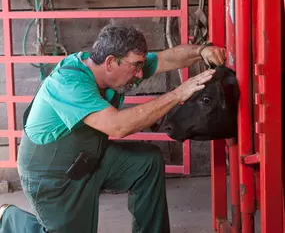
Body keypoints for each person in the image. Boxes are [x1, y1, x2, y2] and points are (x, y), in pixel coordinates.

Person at [0, 25, 226, 233]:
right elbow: (118, 126)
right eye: (136, 66)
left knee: (146, 164)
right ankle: (9, 218)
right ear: (110, 62)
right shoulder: (69, 82)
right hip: (52, 174)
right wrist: (179, 93)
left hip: (89, 158)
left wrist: (202, 51)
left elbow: (168, 58)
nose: (140, 73)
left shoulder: (118, 66)